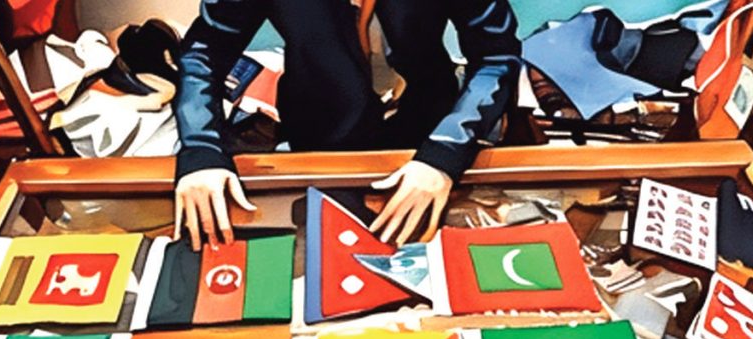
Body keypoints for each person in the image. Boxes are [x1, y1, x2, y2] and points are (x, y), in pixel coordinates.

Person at [173, 0, 521, 250]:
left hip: (429, 137)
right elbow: (204, 52)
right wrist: (201, 149)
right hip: (318, 148)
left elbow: (496, 56)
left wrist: (446, 150)